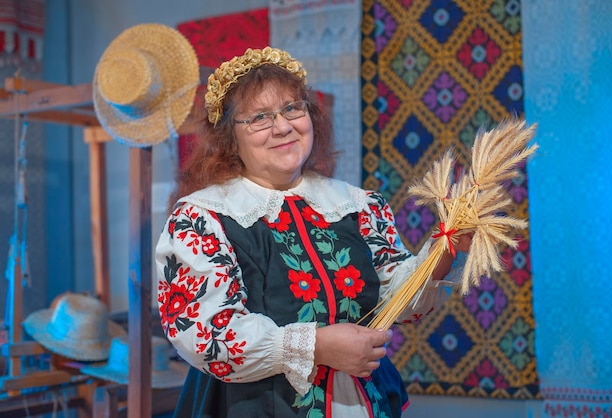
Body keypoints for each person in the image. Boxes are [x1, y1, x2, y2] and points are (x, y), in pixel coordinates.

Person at [155, 46, 471, 418]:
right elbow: (207, 335)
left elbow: (393, 297)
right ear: (229, 137)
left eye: (293, 108)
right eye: (259, 117)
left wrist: (443, 251)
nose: (283, 126)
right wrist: (316, 346)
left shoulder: (357, 205)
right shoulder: (203, 218)